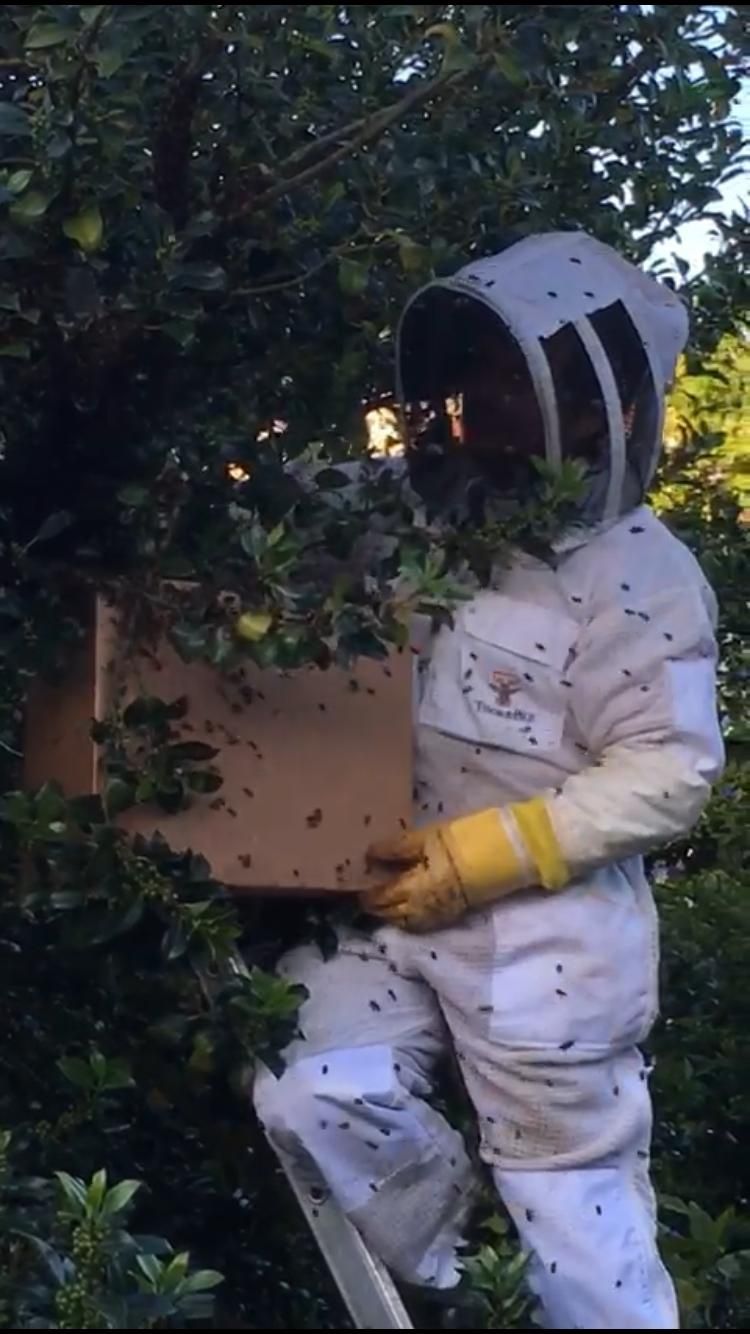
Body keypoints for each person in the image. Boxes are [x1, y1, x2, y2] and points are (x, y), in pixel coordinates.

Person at [254, 231, 724, 1329]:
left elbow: (672, 767)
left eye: (522, 380)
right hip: (380, 901)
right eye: (480, 375)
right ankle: (454, 1281)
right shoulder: (410, 511)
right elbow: (276, 525)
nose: (488, 402)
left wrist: (484, 856)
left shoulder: (644, 578)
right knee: (311, 1088)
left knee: (575, 1205)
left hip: (548, 944)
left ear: (596, 406)